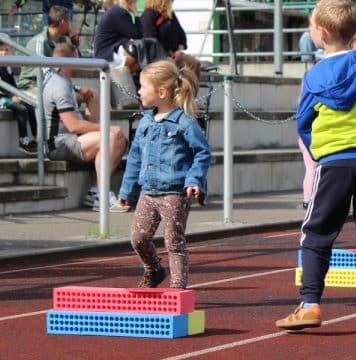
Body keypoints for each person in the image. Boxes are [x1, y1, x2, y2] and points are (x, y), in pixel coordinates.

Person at [275, 0, 356, 337]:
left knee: (316, 235)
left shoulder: (313, 76)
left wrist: (321, 151)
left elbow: (303, 123)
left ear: (322, 33)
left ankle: (311, 303)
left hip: (332, 165)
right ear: (354, 32)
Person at [114, 60, 211, 289]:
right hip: (148, 192)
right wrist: (127, 190)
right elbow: (135, 157)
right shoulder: (146, 121)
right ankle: (154, 269)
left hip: (174, 193)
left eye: (142, 87)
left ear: (161, 92)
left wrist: (194, 179)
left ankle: (178, 287)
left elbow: (202, 152)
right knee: (138, 238)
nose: (138, 91)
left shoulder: (185, 122)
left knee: (174, 242)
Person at [43, 43, 128, 210]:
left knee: (118, 139)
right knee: (112, 138)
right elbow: (73, 125)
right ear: (68, 62)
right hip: (59, 143)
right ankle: (98, 194)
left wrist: (87, 93)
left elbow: (81, 94)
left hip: (70, 139)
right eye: (77, 60)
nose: (80, 63)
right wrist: (107, 129)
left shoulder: (61, 78)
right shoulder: (59, 86)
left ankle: (95, 191)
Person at [141, 0, 201, 78]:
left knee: (194, 63)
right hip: (157, 57)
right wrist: (167, 56)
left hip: (174, 54)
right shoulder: (148, 15)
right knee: (171, 66)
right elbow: (150, 42)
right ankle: (174, 89)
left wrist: (179, 51)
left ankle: (190, 89)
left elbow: (182, 35)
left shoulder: (169, 14)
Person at [0, 40, 38, 155]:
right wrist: (12, 96)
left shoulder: (7, 65)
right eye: (1, 50)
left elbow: (11, 83)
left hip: (8, 95)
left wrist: (17, 94)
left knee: (30, 107)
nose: (4, 53)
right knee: (21, 109)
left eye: (6, 50)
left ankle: (38, 138)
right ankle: (23, 141)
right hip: (2, 97)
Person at [92, 0, 143, 71]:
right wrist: (136, 14)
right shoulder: (120, 13)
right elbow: (138, 35)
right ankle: (120, 77)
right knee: (139, 50)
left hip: (104, 54)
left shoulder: (116, 10)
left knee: (139, 54)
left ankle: (126, 79)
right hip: (107, 56)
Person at [8, 0, 74, 26]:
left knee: (65, 37)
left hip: (65, 11)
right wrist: (18, 3)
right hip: (48, 12)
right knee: (46, 37)